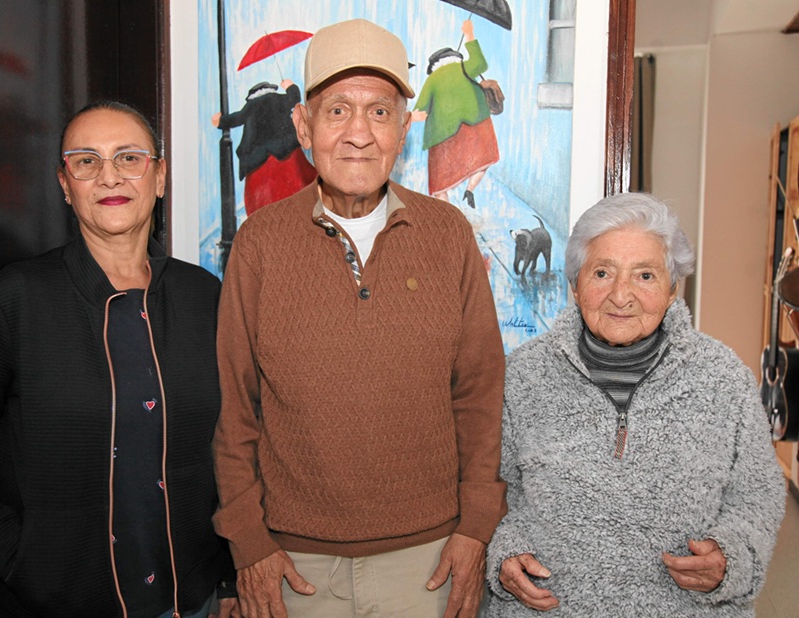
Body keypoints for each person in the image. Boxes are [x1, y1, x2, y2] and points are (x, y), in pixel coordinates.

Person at [212, 18, 507, 618]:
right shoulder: (260, 243)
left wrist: (476, 528)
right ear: (303, 126)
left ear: (404, 128)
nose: (358, 134)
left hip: (429, 563)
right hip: (292, 567)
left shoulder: (448, 234)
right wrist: (249, 543)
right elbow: (234, 407)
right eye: (338, 110)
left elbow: (479, 395)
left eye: (379, 112)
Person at [0, 101, 238, 618]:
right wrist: (13, 554)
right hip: (56, 602)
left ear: (160, 177)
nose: (109, 176)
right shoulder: (13, 298)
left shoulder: (205, 297)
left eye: (129, 158)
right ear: (65, 183)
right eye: (86, 161)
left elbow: (235, 442)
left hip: (193, 601)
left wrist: (228, 575)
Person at [485, 193, 785, 617]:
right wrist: (506, 550)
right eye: (602, 273)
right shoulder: (523, 375)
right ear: (575, 285)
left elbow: (759, 493)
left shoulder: (723, 377)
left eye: (645, 275)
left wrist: (731, 554)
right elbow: (493, 489)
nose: (621, 295)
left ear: (672, 289)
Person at [411, 19, 499, 209]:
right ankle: (470, 189)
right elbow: (480, 62)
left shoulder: (432, 80)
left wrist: (403, 119)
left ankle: (448, 216)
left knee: (439, 187)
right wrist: (469, 33)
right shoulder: (464, 67)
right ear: (455, 58)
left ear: (434, 65)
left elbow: (420, 113)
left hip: (442, 138)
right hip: (476, 127)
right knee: (484, 161)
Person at [211, 79, 316, 216]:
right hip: (285, 151)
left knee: (262, 196)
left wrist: (219, 121)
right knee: (296, 185)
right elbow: (294, 97)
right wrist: (290, 86)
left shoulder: (250, 106)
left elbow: (236, 118)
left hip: (258, 158)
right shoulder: (278, 99)